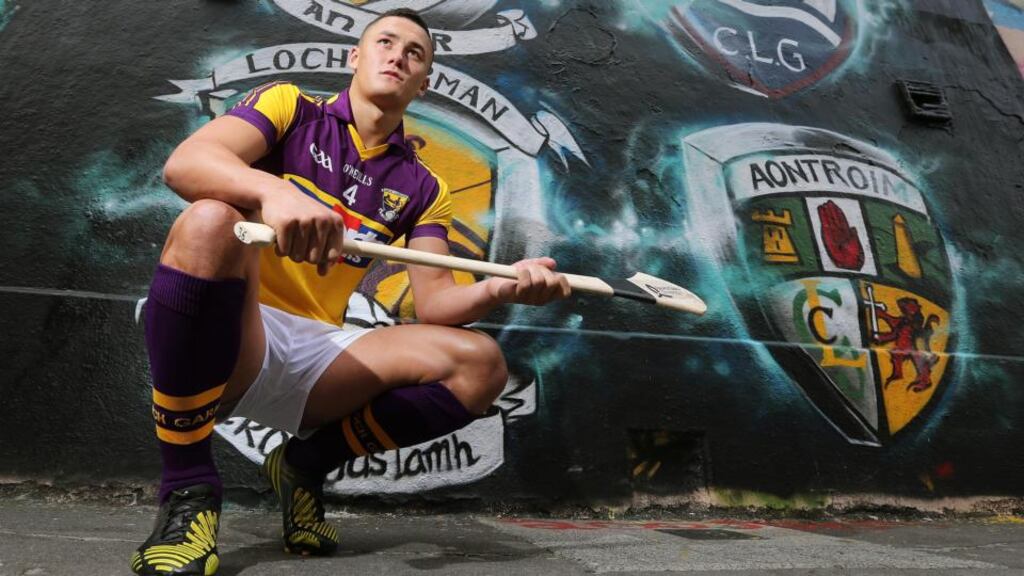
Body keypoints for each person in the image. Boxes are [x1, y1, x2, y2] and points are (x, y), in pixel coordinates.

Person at [131, 8, 570, 576]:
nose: (398, 56)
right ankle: (188, 492)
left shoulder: (425, 187)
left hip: (321, 354)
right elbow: (186, 164)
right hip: (239, 331)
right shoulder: (290, 107)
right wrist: (273, 193)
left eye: (414, 53)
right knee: (210, 221)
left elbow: (436, 304)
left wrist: (501, 288)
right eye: (385, 42)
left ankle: (304, 464)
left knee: (481, 364)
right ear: (354, 57)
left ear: (424, 81)